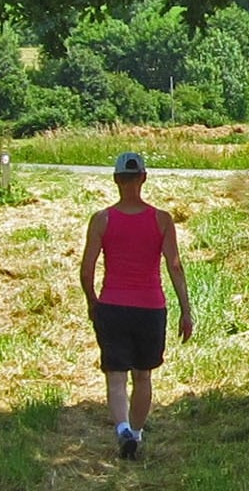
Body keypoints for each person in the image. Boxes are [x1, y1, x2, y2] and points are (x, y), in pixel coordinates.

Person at [77, 151, 191, 459]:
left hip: (113, 305)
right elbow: (175, 266)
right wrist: (185, 309)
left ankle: (122, 430)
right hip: (150, 308)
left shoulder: (102, 219)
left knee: (116, 377)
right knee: (143, 377)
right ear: (143, 177)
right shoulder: (162, 219)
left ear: (116, 179)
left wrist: (92, 302)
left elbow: (86, 270)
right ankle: (137, 435)